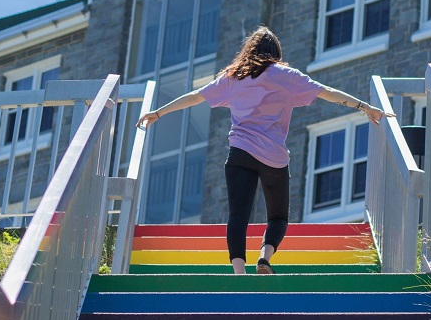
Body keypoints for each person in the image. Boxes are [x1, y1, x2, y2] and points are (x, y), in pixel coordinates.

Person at [136, 26, 394, 275]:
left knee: (238, 214)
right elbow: (327, 92)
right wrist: (364, 107)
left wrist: (159, 112)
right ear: (276, 52)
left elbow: (195, 96)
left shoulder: (233, 77)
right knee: (278, 217)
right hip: (273, 157)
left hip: (239, 152)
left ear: (248, 49)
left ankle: (239, 272)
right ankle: (264, 257)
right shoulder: (287, 76)